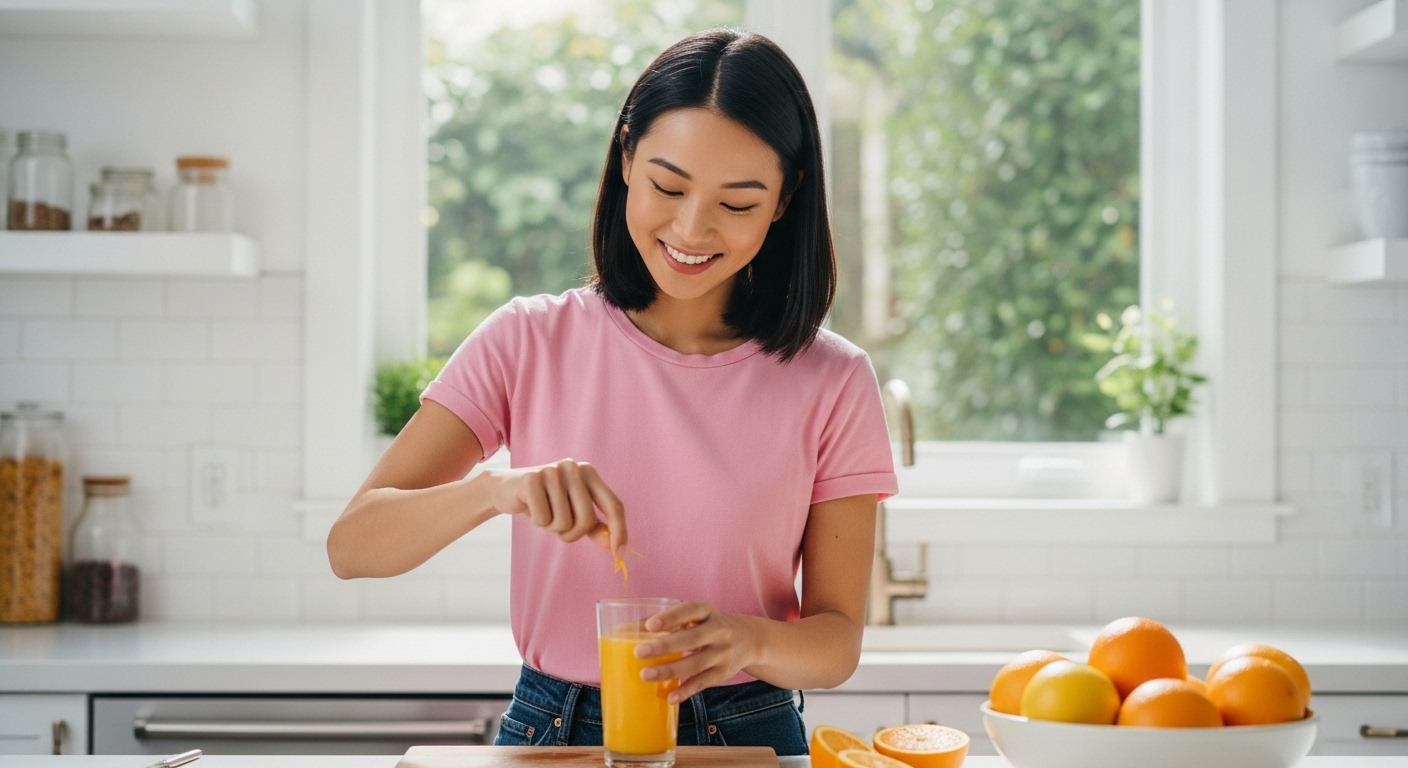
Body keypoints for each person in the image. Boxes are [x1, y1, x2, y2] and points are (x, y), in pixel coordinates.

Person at [326, 28, 897, 756]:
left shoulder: (833, 379)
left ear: (785, 200)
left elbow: (837, 641)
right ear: (626, 158)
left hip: (744, 733)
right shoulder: (527, 340)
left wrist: (746, 639)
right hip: (553, 729)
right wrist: (497, 490)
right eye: (668, 187)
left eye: (737, 204)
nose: (692, 227)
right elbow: (353, 546)